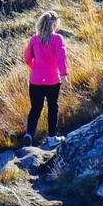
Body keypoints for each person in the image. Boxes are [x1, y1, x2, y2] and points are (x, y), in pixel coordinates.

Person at [21, 9, 68, 146]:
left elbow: (27, 58)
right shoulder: (58, 39)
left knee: (35, 108)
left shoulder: (34, 39)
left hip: (35, 80)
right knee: (52, 107)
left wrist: (35, 67)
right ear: (54, 25)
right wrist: (64, 74)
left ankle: (29, 134)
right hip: (53, 80)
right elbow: (62, 58)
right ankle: (52, 137)